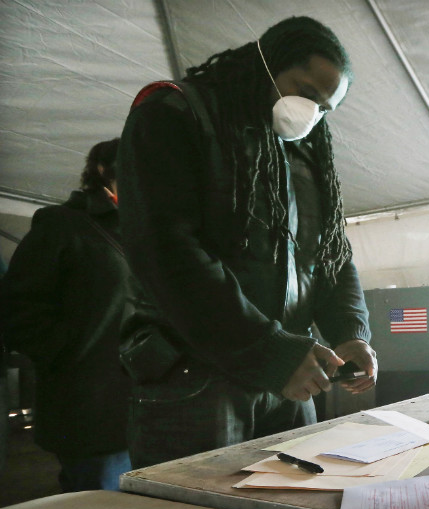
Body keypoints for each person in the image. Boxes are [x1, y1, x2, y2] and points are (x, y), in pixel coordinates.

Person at [117, 16, 377, 469]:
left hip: (287, 374)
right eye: (305, 90)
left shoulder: (301, 148)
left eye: (324, 107)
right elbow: (169, 253)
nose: (311, 112)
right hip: (196, 378)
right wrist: (271, 351)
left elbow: (330, 255)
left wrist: (350, 332)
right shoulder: (174, 112)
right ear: (267, 63)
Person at [0, 139, 133, 491]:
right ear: (103, 170)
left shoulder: (150, 228)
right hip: (90, 407)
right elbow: (20, 311)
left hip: (154, 407)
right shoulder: (63, 225)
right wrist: (72, 357)